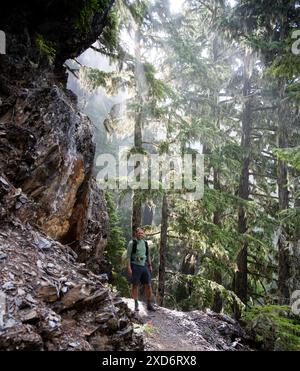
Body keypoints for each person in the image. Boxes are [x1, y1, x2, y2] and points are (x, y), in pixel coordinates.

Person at [127, 227, 156, 312]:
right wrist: (129, 267)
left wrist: (150, 265)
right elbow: (128, 256)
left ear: (144, 234)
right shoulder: (132, 243)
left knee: (148, 285)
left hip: (144, 266)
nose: (140, 234)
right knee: (135, 285)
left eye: (142, 233)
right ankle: (136, 304)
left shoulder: (145, 243)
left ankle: (149, 304)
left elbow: (148, 255)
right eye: (139, 233)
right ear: (136, 234)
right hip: (135, 265)